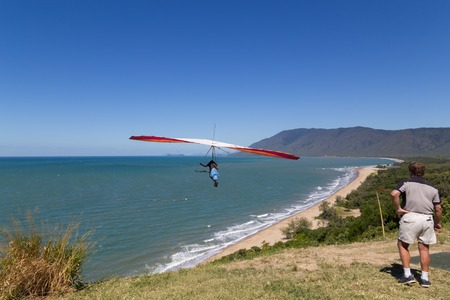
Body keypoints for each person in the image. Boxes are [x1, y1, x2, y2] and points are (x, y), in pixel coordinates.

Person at [390, 161, 442, 288]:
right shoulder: (433, 189)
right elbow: (438, 208)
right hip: (427, 219)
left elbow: (394, 193)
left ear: (410, 172)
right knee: (424, 248)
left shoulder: (406, 184)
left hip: (410, 216)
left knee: (403, 244)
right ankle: (424, 278)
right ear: (423, 172)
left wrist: (398, 209)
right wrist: (437, 223)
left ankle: (407, 275)